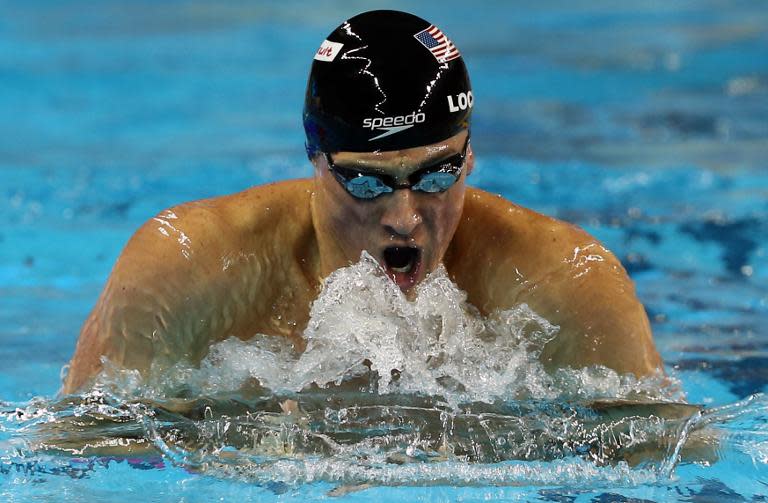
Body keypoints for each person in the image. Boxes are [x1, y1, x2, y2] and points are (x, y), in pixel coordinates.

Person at [62, 10, 662, 394]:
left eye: (436, 176)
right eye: (369, 183)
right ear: (315, 162)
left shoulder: (567, 288)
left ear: (470, 156)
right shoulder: (184, 271)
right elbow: (78, 458)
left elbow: (673, 465)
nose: (404, 218)